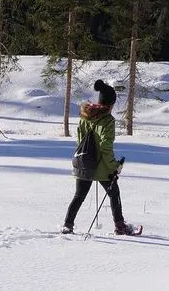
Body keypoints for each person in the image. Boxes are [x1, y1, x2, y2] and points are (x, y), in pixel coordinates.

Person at [61, 79, 138, 235]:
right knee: (114, 194)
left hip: (83, 161)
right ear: (110, 104)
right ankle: (120, 226)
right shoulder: (108, 120)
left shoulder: (85, 116)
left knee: (79, 196)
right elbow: (105, 146)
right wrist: (114, 166)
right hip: (102, 167)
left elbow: (80, 140)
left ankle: (67, 225)